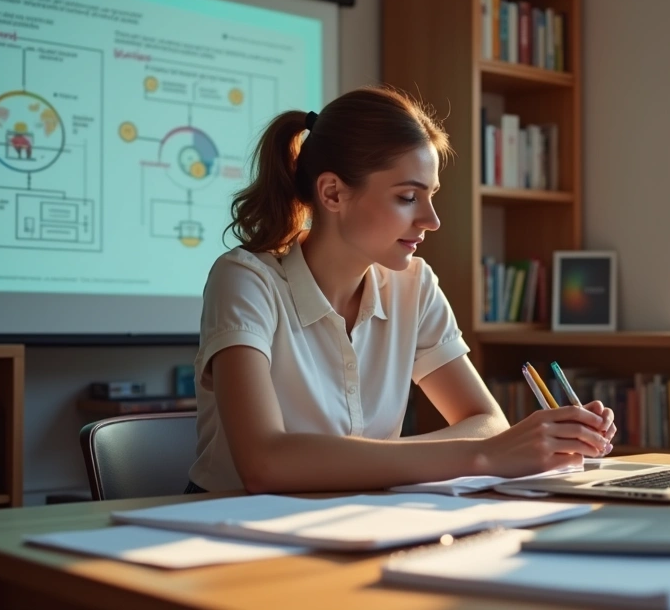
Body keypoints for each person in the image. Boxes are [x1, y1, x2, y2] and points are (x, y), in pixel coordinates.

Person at [187, 86, 616, 494]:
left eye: (430, 196)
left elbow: (486, 421)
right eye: (408, 197)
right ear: (333, 193)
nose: (431, 220)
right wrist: (482, 457)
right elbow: (265, 463)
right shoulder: (245, 280)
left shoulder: (414, 285)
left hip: (351, 519)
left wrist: (478, 449)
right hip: (225, 530)